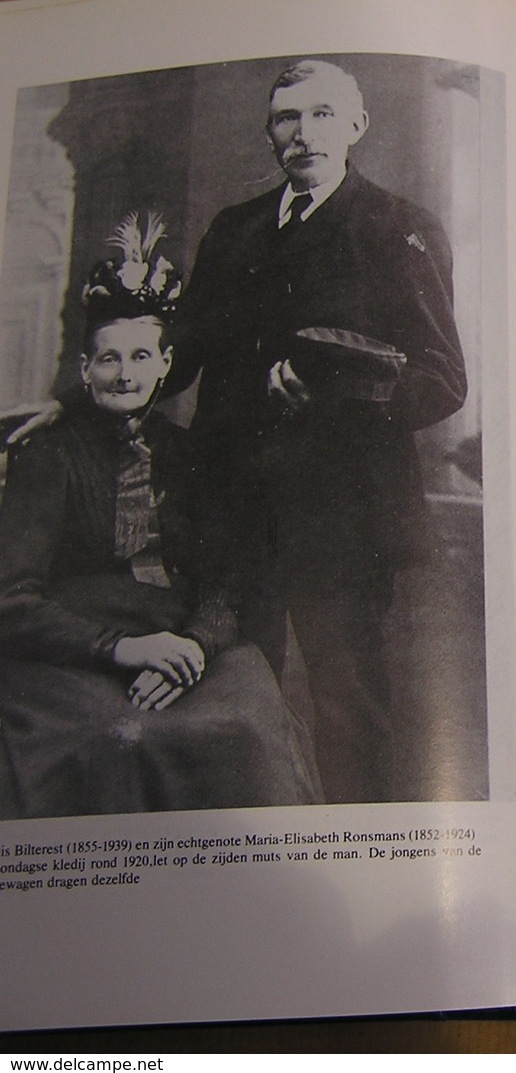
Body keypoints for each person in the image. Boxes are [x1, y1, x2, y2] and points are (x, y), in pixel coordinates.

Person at [4, 60, 467, 804]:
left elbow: (444, 379)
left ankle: (358, 862)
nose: (303, 133)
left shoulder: (400, 228)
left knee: (351, 708)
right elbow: (173, 357)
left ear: (356, 126)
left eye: (321, 115)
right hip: (232, 516)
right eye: (287, 118)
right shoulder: (236, 229)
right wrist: (74, 403)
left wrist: (330, 393)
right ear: (270, 133)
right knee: (241, 700)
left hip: (340, 520)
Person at [0, 226, 319, 819]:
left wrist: (195, 649)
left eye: (141, 356)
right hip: (76, 654)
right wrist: (120, 649)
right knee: (117, 740)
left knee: (244, 736)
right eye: (109, 358)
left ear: (166, 363)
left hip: (185, 637)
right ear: (85, 368)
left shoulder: (192, 453)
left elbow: (225, 577)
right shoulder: (48, 456)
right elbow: (11, 598)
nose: (125, 373)